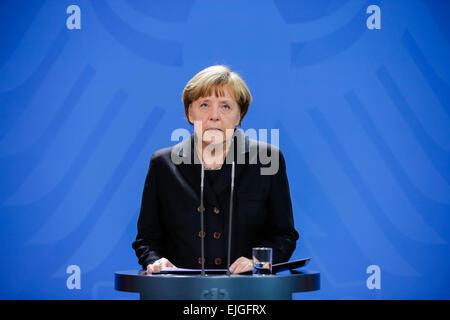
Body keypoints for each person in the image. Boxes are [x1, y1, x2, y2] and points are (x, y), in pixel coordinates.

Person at [132, 65, 299, 275]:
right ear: (189, 113)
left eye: (225, 107)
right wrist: (156, 261)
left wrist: (257, 262)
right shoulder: (163, 164)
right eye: (204, 105)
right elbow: (147, 240)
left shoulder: (267, 160)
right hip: (181, 290)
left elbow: (284, 235)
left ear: (239, 116)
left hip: (246, 292)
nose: (214, 116)